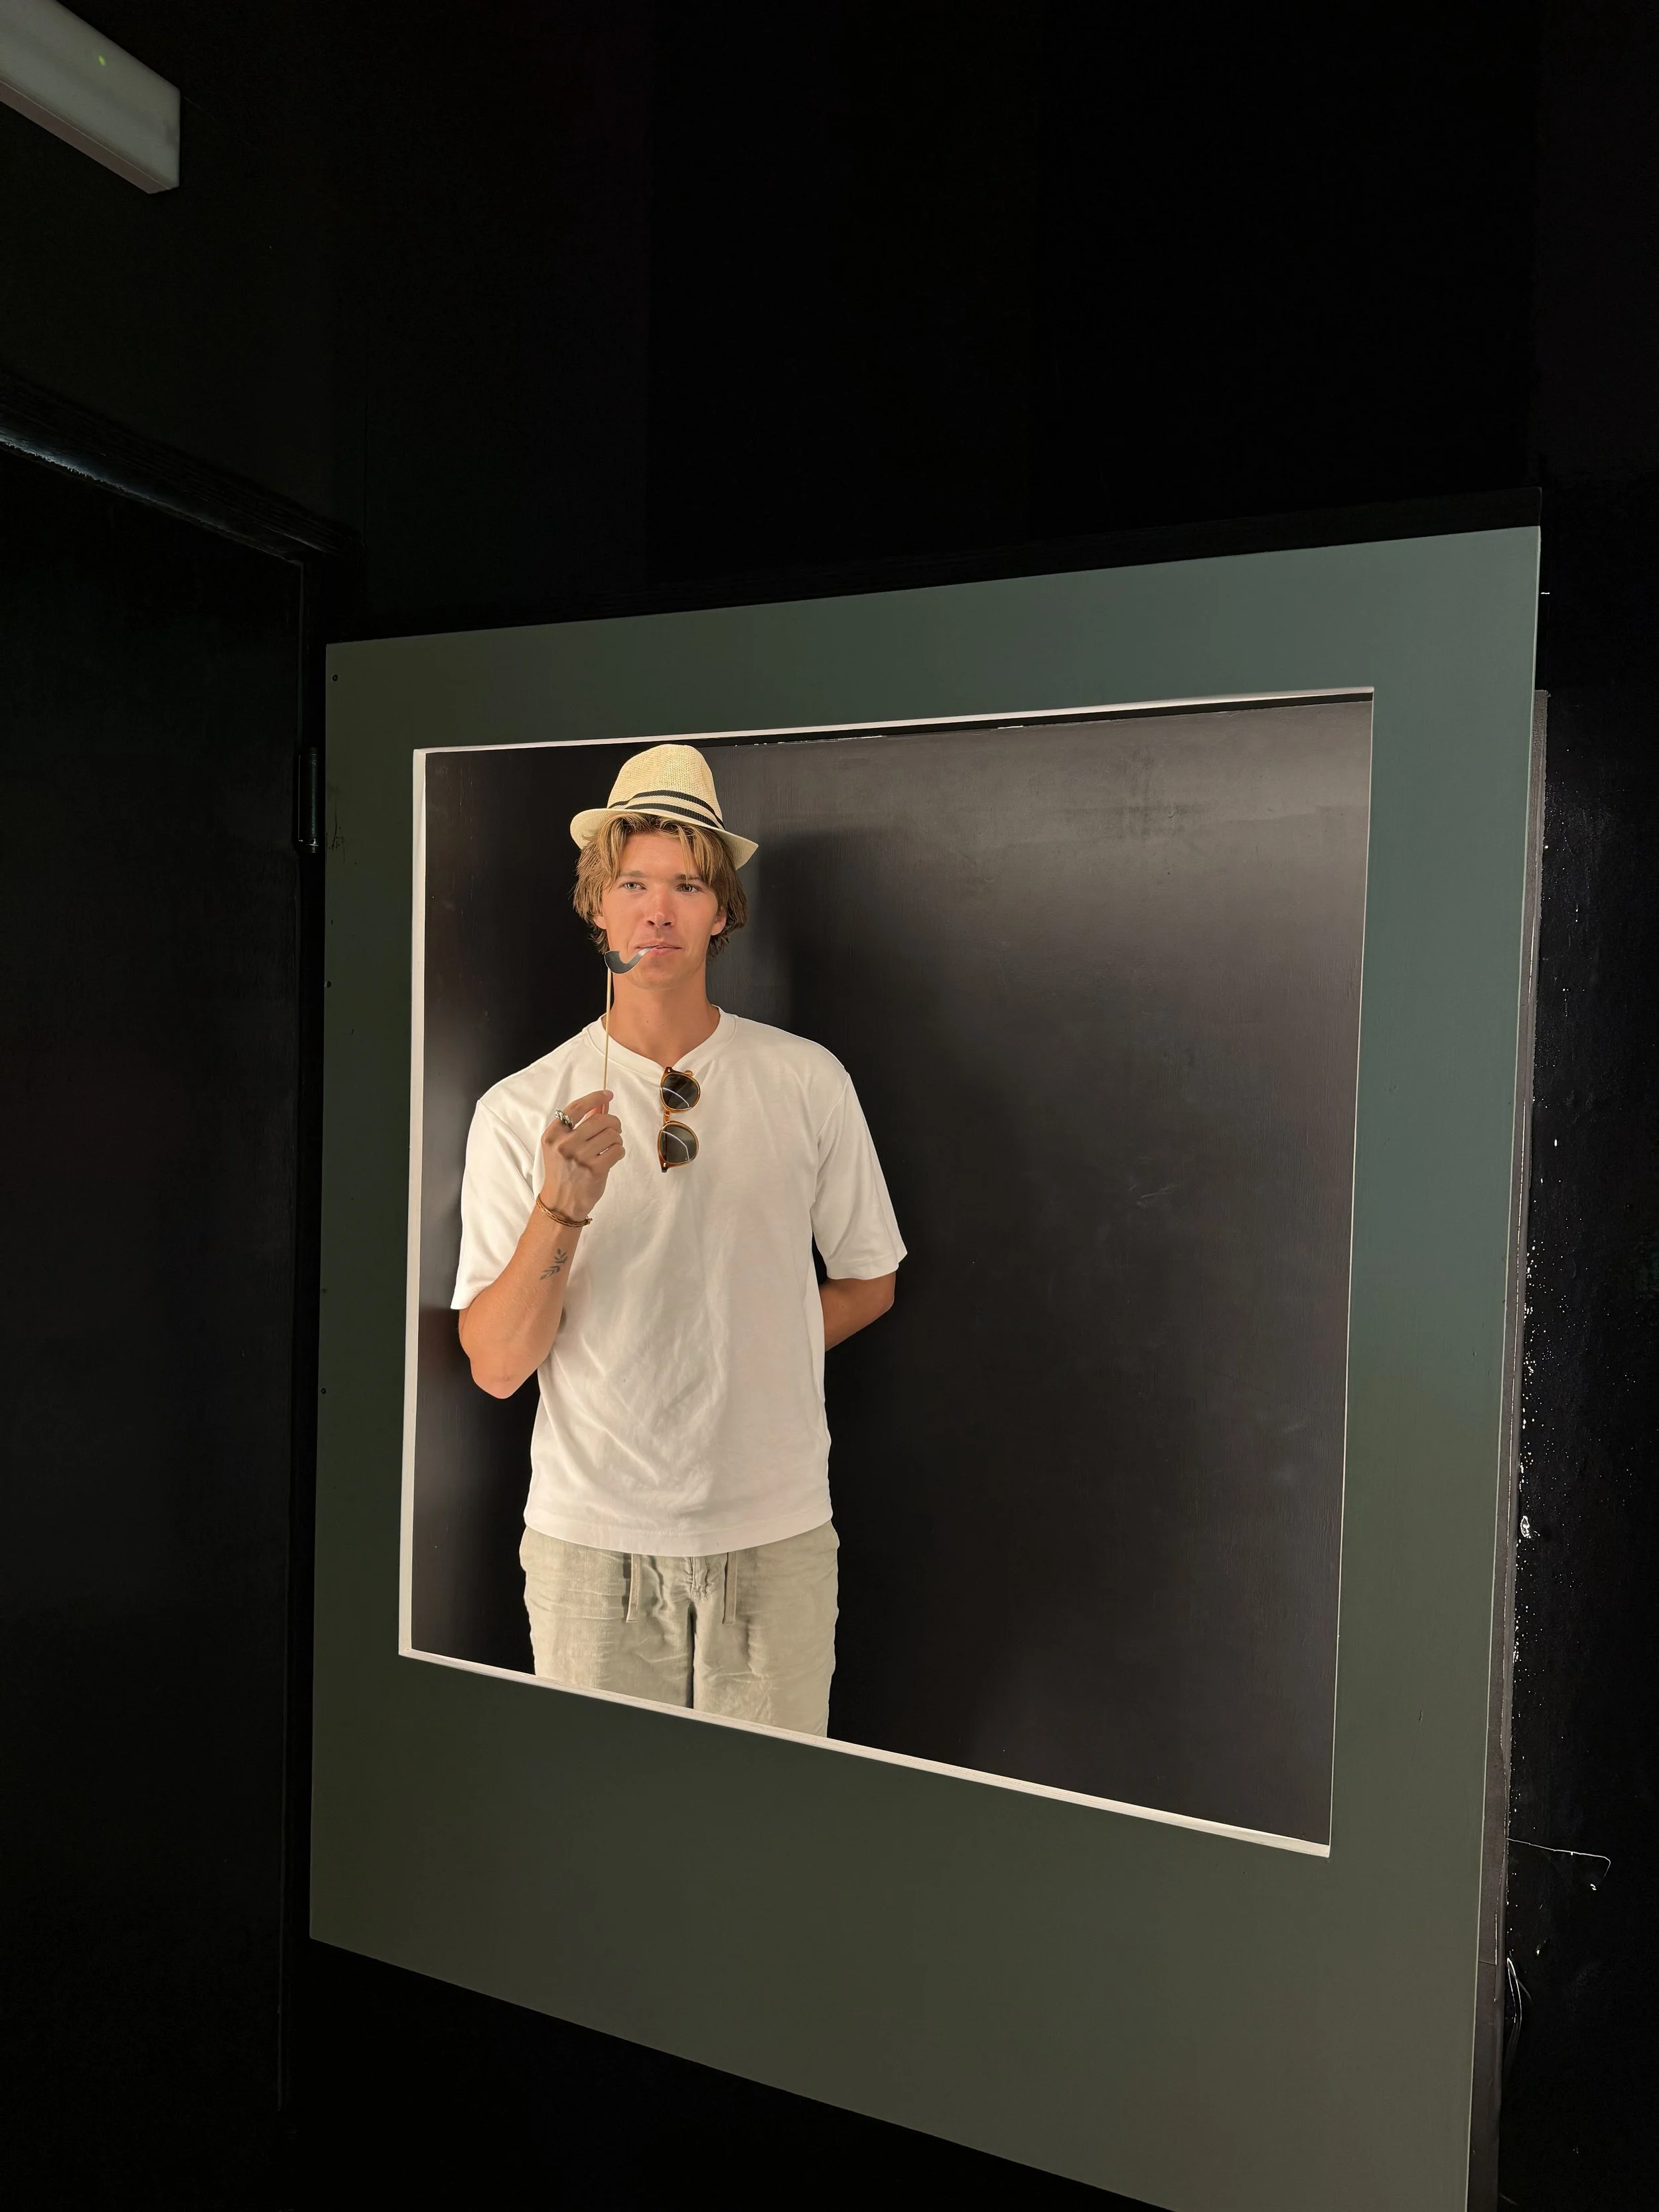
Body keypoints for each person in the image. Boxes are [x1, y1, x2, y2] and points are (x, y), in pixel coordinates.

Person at [451, 742, 904, 1735]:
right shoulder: (521, 1108)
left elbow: (870, 1281)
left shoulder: (807, 1081)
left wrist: (749, 1347)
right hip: (590, 1548)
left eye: (688, 885)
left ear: (721, 912)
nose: (658, 909)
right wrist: (562, 1205)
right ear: (598, 907)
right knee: (600, 1815)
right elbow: (496, 1365)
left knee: (769, 1813)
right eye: (633, 883)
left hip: (776, 1537)